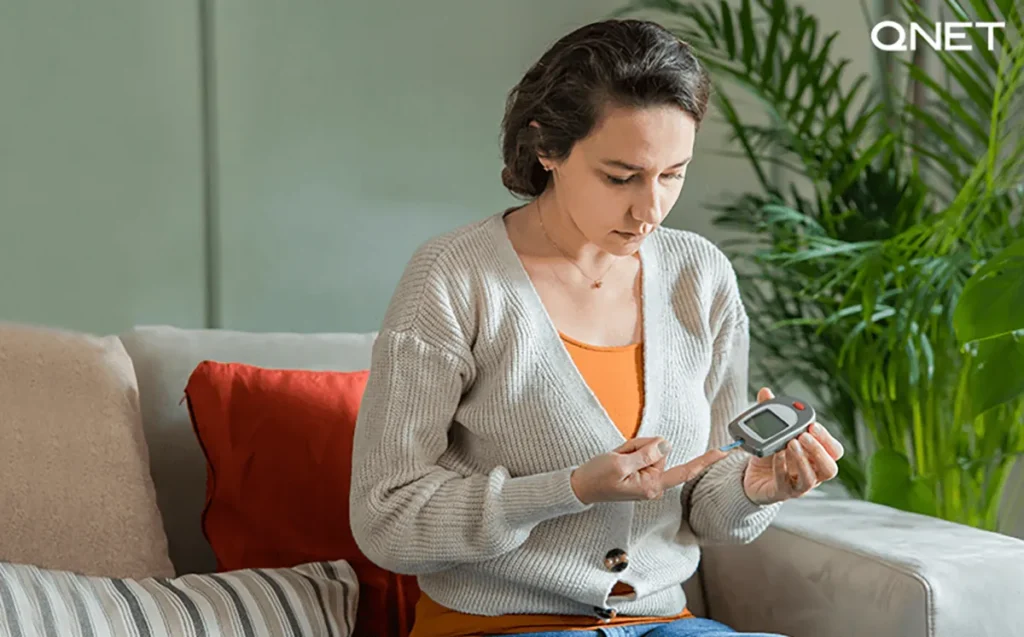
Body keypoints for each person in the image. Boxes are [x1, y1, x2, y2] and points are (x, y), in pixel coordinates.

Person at [350, 18, 844, 637]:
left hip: (664, 623)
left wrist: (755, 486)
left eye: (673, 174)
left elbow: (707, 510)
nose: (651, 210)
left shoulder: (702, 277)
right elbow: (385, 521)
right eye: (621, 177)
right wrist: (570, 488)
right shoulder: (453, 280)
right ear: (547, 148)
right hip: (499, 625)